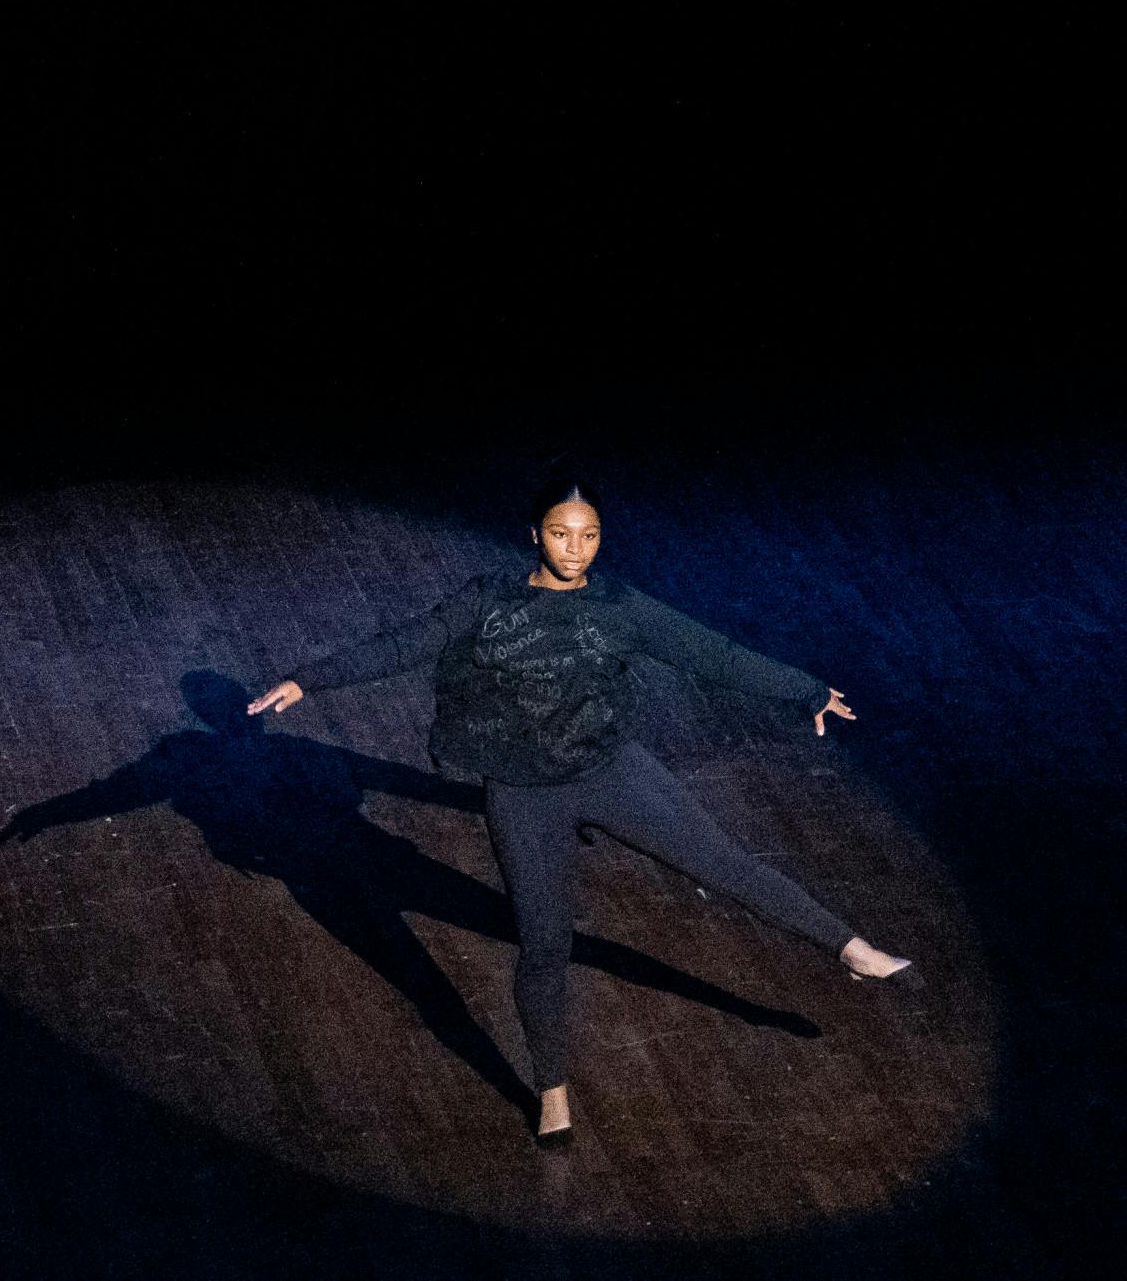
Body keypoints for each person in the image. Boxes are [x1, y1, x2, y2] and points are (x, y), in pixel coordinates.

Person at [245, 476, 914, 1147]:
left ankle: (849, 948)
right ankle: (552, 1088)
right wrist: (309, 678)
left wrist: (807, 693)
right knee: (546, 944)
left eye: (589, 535)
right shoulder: (488, 603)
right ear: (534, 534)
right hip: (523, 790)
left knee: (725, 862)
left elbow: (715, 654)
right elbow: (402, 644)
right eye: (562, 534)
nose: (576, 548)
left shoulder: (620, 606)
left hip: (609, 771)